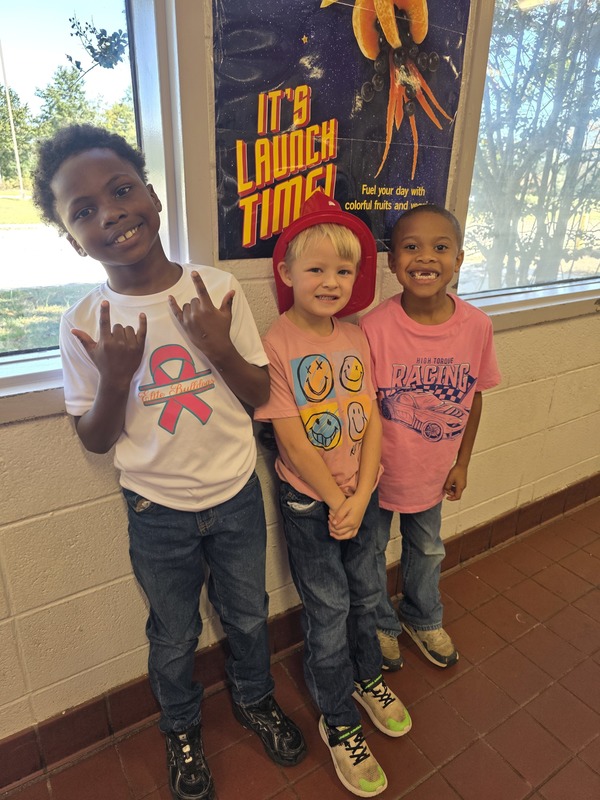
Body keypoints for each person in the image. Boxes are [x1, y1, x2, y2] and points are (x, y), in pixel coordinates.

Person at [31, 124, 306, 800]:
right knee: (173, 632)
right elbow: (96, 440)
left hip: (236, 494)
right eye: (85, 211)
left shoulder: (215, 289)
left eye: (121, 190)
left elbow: (258, 395)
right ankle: (180, 728)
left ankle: (254, 698)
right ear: (72, 239)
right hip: (157, 510)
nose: (111, 213)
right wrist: (118, 377)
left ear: (152, 195)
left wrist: (218, 346)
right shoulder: (84, 323)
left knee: (246, 615)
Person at [254, 190, 411, 798]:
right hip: (309, 501)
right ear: (287, 273)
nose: (331, 281)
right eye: (315, 269)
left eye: (343, 271)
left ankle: (367, 678)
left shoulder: (354, 335)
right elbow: (290, 437)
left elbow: (370, 417)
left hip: (361, 495)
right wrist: (335, 499)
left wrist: (365, 488)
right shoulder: (276, 342)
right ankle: (338, 718)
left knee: (368, 591)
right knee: (329, 609)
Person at [360, 204, 501, 671]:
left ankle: (422, 617)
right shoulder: (373, 327)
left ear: (459, 258)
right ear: (392, 261)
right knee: (372, 551)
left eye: (441, 247)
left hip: (434, 471)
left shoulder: (477, 326)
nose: (426, 257)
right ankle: (380, 624)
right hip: (376, 475)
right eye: (411, 247)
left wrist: (463, 463)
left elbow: (474, 397)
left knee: (427, 547)